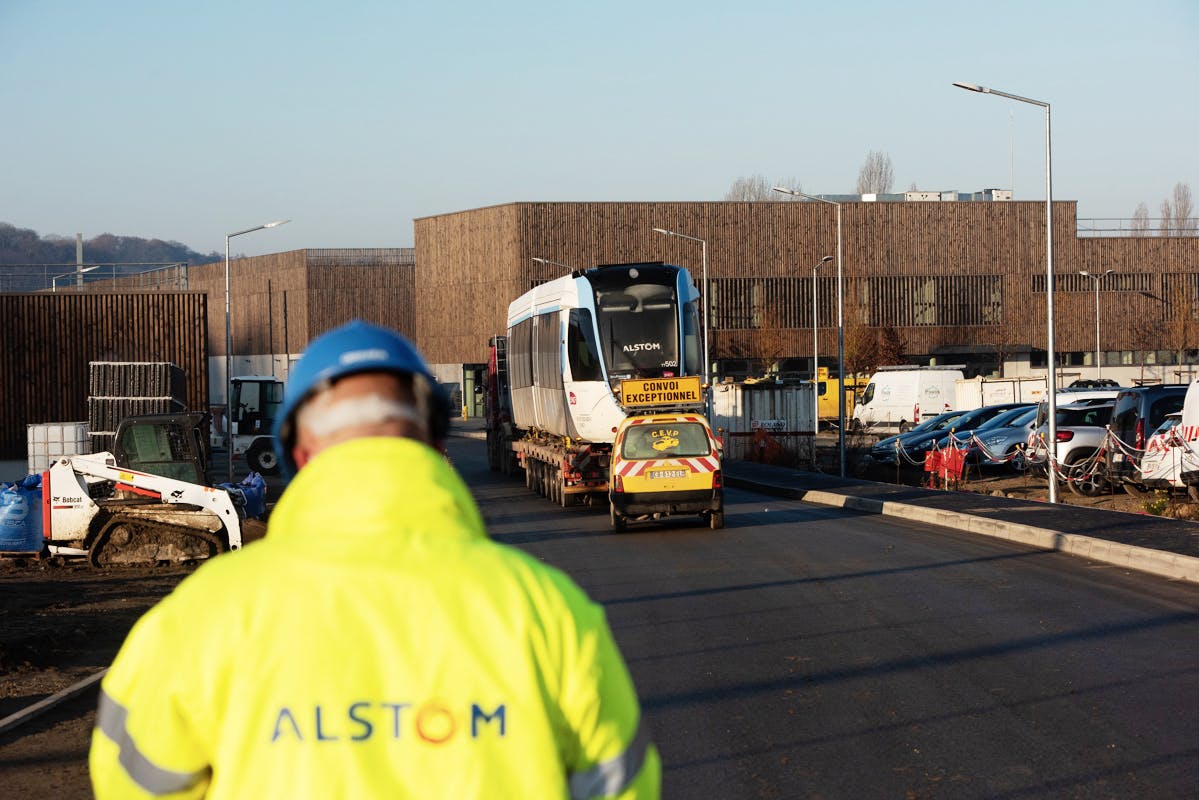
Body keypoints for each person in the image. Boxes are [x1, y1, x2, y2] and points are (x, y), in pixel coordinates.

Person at [90, 320, 660, 799]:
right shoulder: (550, 615)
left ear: (296, 450)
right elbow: (624, 786)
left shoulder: (196, 621)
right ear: (432, 436)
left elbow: (130, 783)